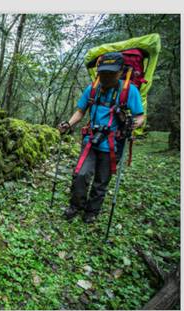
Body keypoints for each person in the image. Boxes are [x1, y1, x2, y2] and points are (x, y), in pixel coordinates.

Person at [58, 52, 145, 223]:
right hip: (90, 140)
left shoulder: (129, 91)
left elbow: (140, 115)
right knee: (81, 174)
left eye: (110, 73)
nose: (105, 76)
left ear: (120, 72)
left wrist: (134, 124)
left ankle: (92, 211)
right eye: (103, 72)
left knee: (101, 181)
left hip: (113, 144)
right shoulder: (92, 89)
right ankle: (76, 206)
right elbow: (81, 111)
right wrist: (68, 124)